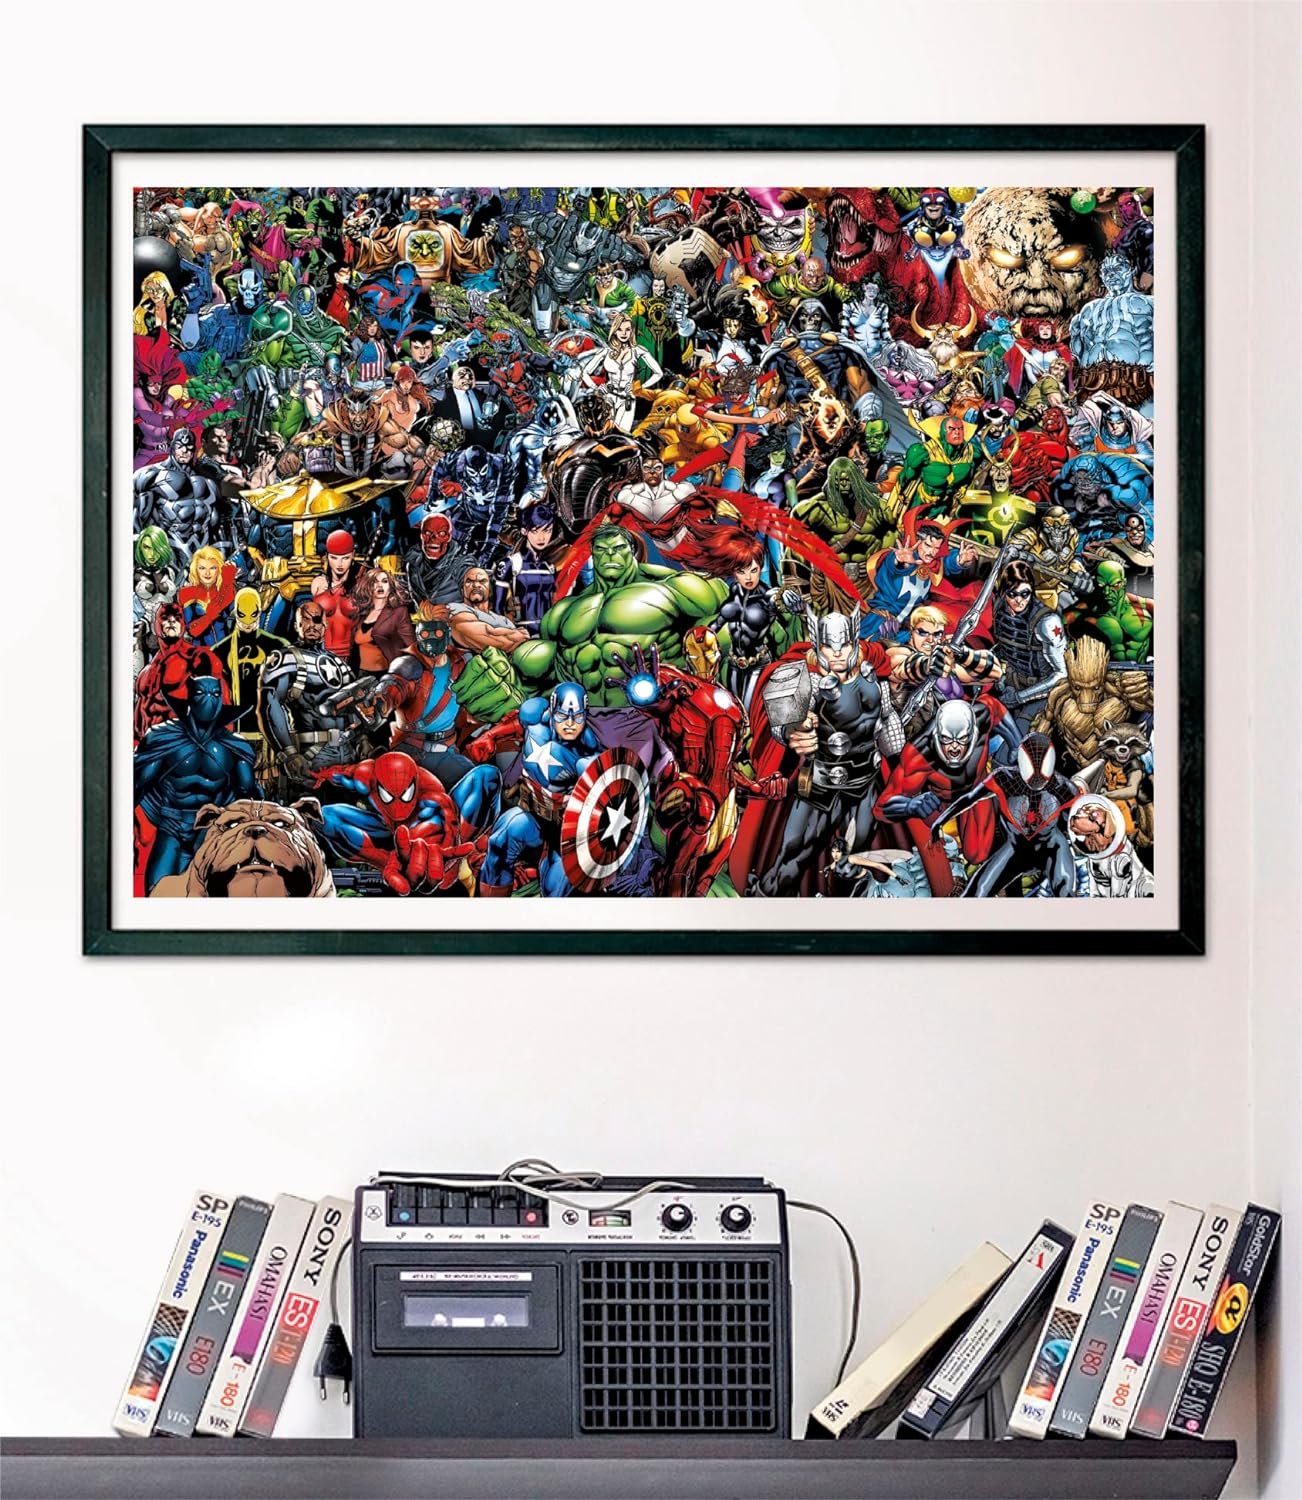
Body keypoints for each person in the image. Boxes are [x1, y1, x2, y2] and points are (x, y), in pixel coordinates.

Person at [351, 567, 416, 673]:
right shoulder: (361, 613)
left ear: (390, 586)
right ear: (368, 586)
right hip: (360, 674)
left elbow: (412, 644)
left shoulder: (398, 612)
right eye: (375, 582)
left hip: (386, 674)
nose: (380, 585)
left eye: (384, 581)